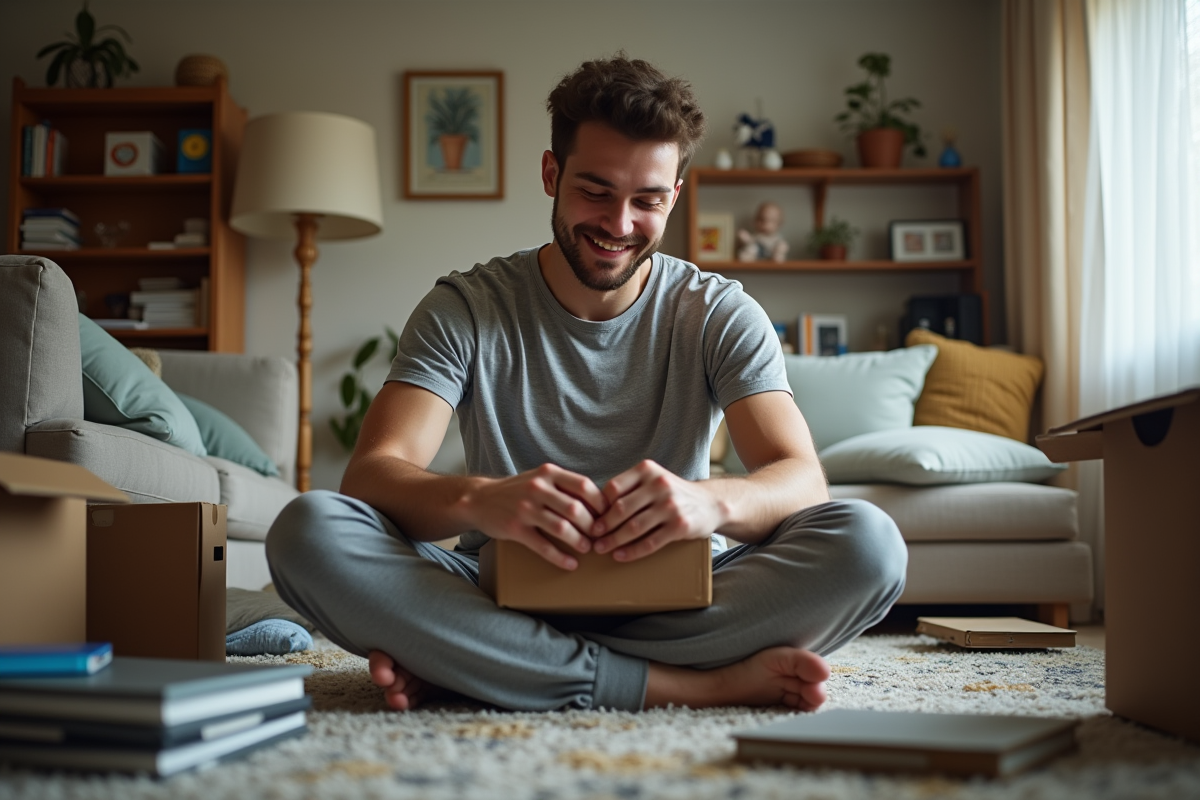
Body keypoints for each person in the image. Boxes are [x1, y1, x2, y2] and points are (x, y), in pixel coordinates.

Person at [267, 55, 907, 714]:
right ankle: (689, 684)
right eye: (596, 192)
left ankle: (483, 662)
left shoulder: (719, 311)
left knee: (870, 544)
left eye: (647, 201)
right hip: (499, 592)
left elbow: (801, 480)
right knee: (307, 531)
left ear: (674, 196)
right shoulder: (465, 308)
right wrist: (480, 500)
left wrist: (709, 502)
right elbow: (373, 475)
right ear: (552, 174)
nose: (619, 224)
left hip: (677, 597)